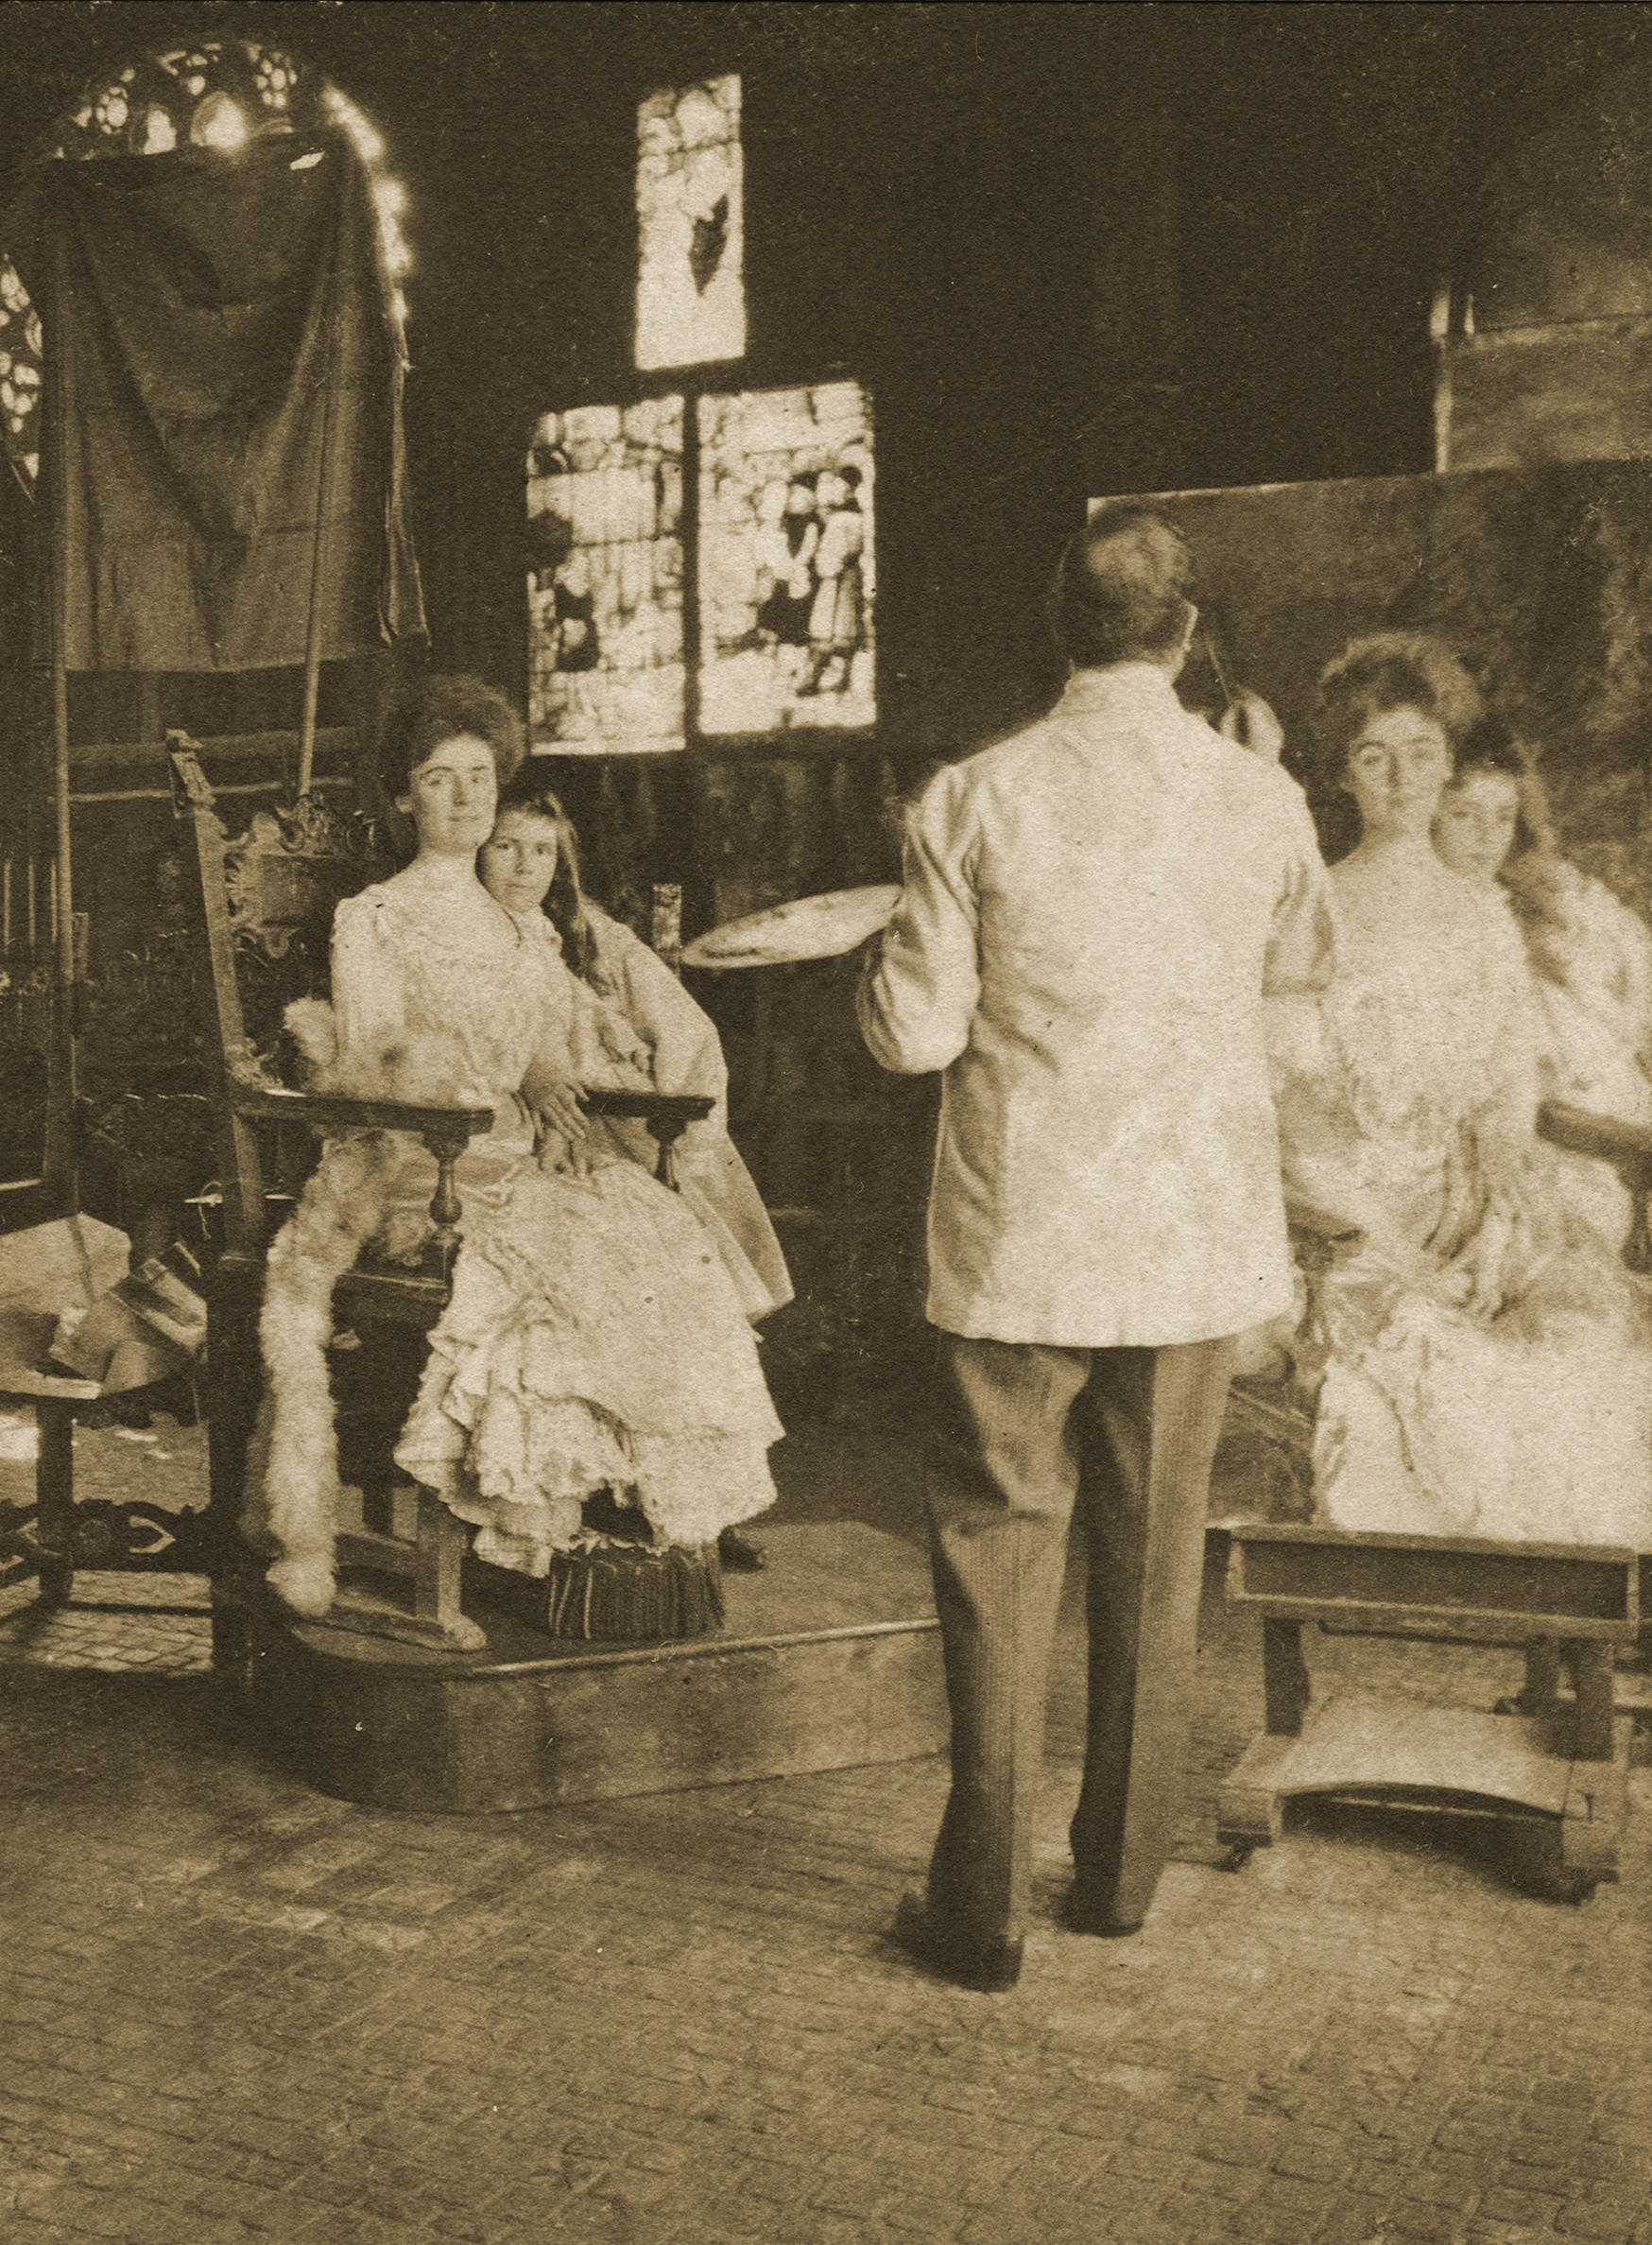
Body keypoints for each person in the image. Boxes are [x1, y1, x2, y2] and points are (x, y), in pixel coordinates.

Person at [855, 506, 1338, 1990]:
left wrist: (888, 930)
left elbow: (916, 1033)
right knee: (1153, 1552)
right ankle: (1119, 1878)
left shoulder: (973, 795)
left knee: (1001, 1551)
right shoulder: (1261, 802)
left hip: (1025, 1241)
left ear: (1057, 628)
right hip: (1188, 1236)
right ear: (1186, 635)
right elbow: (1301, 1021)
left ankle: (981, 1908)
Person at [249, 676, 782, 1625]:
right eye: (440, 779)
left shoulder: (518, 919)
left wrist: (556, 1107)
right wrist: (499, 1094)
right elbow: (372, 1067)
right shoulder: (374, 915)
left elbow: (544, 1043)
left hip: (516, 1162)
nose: (465, 797)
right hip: (422, 1168)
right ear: (403, 796)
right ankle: (516, 1524)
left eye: (480, 778)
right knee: (563, 1266)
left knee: (662, 1238)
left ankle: (634, 1532)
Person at [1269, 634, 1652, 1549]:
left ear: (1446, 765)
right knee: (1447, 1363)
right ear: (1342, 775)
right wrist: (1393, 1239)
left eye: (1420, 754)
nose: (1399, 779)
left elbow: (1502, 1093)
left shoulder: (1479, 909)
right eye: (1373, 756)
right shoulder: (1309, 909)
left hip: (1461, 1212)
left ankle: (1587, 1607)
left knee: (1587, 1322)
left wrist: (1493, 1220)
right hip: (1340, 1222)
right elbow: (1281, 1113)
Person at [479, 777, 794, 1569]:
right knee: (618, 1264)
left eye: (542, 851)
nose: (523, 867)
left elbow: (679, 1029)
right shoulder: (463, 933)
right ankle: (593, 1496)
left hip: (603, 1128)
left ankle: (690, 1503)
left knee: (685, 1269)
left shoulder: (573, 935)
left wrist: (665, 1117)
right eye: (505, 846)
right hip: (502, 1137)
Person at [1433, 715, 1652, 1266]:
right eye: (1464, 815)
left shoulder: (1560, 901)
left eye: (1503, 817)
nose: (1487, 837)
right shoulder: (1439, 927)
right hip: (1560, 1147)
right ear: (1429, 814)